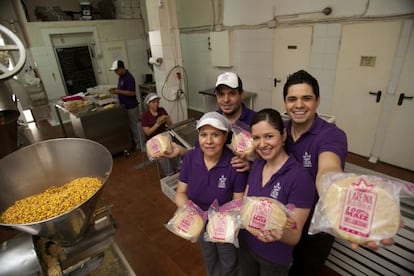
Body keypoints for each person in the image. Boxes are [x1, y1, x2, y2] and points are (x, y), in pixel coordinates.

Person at [284, 70, 395, 275]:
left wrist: (346, 199)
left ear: (317, 101)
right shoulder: (280, 131)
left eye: (306, 98)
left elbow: (328, 169)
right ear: (285, 103)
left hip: (316, 224)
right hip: (286, 219)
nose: (298, 105)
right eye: (292, 99)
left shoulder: (331, 135)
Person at [238, 108, 315, 276]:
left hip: (273, 258)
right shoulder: (257, 165)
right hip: (246, 246)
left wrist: (278, 233)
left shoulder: (300, 178)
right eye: (256, 138)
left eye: (269, 136)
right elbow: (245, 204)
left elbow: (294, 236)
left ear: (284, 135)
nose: (262, 144)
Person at [175, 112, 248, 276]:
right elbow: (180, 192)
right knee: (209, 257)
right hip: (199, 221)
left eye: (215, 135)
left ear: (225, 137)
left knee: (229, 260)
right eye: (204, 135)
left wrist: (221, 222)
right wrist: (190, 212)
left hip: (226, 224)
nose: (208, 141)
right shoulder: (190, 158)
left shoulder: (235, 164)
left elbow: (238, 203)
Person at [164, 72, 255, 172]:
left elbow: (271, 160)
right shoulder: (210, 120)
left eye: (232, 93)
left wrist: (252, 166)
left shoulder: (255, 121)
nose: (226, 100)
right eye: (221, 94)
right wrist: (182, 151)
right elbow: (199, 153)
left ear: (241, 94)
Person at [109, 60, 141, 149]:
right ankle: (136, 143)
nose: (116, 73)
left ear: (122, 68)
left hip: (132, 107)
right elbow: (123, 89)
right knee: (131, 126)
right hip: (125, 106)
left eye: (116, 70)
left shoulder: (129, 78)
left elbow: (132, 93)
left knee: (135, 126)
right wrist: (115, 89)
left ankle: (140, 145)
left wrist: (118, 91)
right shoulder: (121, 77)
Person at [141, 92, 174, 176]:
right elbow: (148, 132)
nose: (156, 104)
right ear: (148, 104)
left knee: (175, 146)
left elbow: (171, 125)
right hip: (153, 140)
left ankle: (179, 169)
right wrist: (158, 123)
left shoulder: (162, 110)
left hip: (164, 136)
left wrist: (167, 119)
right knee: (162, 154)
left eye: (157, 102)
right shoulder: (145, 116)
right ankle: (169, 174)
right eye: (154, 102)